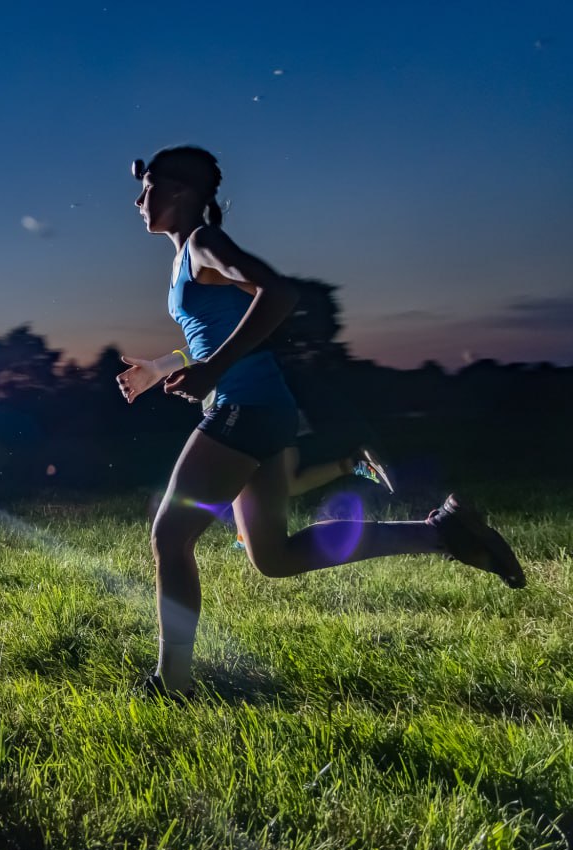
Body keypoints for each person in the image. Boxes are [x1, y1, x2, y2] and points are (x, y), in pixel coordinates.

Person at [115, 145, 526, 699]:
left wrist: (214, 369)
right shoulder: (186, 258)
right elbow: (214, 330)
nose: (140, 198)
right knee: (273, 557)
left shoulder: (205, 244)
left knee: (169, 537)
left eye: (150, 186)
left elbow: (279, 294)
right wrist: (165, 366)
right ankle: (440, 532)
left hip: (247, 407)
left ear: (181, 192)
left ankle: (173, 684)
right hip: (262, 409)